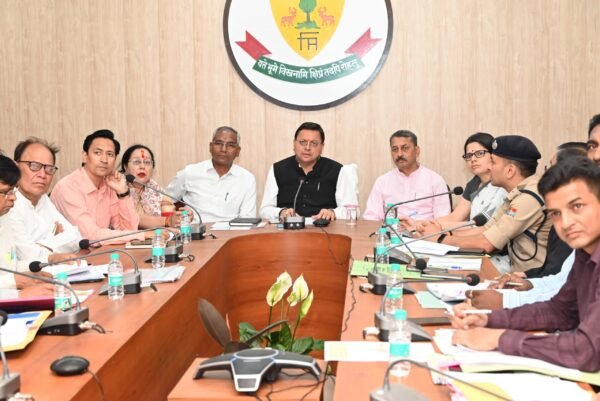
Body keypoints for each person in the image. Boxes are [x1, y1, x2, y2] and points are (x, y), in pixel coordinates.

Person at [451, 157, 600, 372]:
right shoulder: (584, 252)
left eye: (577, 206)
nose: (566, 223)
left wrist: (499, 338)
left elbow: (586, 351)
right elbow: (561, 312)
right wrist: (488, 319)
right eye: (556, 214)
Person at [420, 135, 552, 274]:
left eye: (493, 162)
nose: (489, 167)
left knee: (448, 272)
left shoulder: (528, 198)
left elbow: (487, 243)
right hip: (517, 273)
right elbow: (486, 229)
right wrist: (443, 233)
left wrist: (440, 238)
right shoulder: (517, 193)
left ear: (510, 170)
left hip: (533, 278)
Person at [51, 129, 149, 243]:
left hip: (98, 251)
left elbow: (129, 230)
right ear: (84, 156)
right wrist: (144, 234)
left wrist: (122, 193)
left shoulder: (109, 185)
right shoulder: (68, 187)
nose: (104, 160)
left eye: (110, 154)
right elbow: (90, 236)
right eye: (97, 153)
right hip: (67, 252)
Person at [1, 138, 81, 267]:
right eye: (34, 166)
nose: (42, 175)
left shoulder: (43, 198)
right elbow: (28, 256)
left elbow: (75, 238)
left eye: (49, 168)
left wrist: (44, 244)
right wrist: (55, 240)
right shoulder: (7, 205)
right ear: (16, 167)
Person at [402, 132, 506, 232]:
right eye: (469, 155)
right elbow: (454, 217)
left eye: (479, 153)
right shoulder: (474, 183)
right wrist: (418, 223)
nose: (473, 159)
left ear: (493, 155)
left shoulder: (503, 183)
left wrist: (428, 226)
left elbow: (481, 226)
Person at [259, 122, 359, 222]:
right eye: (302, 142)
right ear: (294, 143)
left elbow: (353, 211)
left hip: (325, 228)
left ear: (322, 147)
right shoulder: (278, 169)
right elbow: (264, 210)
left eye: (314, 143)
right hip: (288, 228)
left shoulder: (337, 170)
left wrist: (333, 212)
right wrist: (281, 212)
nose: (307, 148)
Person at [166, 126, 256, 223]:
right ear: (210, 147)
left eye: (230, 145)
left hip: (230, 230)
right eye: (219, 143)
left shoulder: (247, 179)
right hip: (195, 230)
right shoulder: (190, 172)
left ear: (238, 151)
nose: (223, 149)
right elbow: (165, 200)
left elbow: (247, 219)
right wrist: (171, 218)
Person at [363, 130, 450, 221]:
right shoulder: (382, 182)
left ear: (417, 151)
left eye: (405, 148)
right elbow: (371, 218)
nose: (399, 154)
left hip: (424, 229)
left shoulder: (435, 180)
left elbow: (443, 220)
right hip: (392, 229)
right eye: (395, 149)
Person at [0, 154, 51, 290]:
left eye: (13, 190)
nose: (13, 198)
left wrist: (31, 273)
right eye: (6, 192)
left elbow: (9, 267)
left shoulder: (4, 219)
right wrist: (14, 282)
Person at [120, 144, 188, 229]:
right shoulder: (118, 188)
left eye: (147, 162)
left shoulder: (156, 190)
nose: (142, 167)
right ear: (125, 166)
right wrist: (167, 221)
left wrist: (183, 217)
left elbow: (169, 218)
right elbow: (134, 218)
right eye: (136, 162)